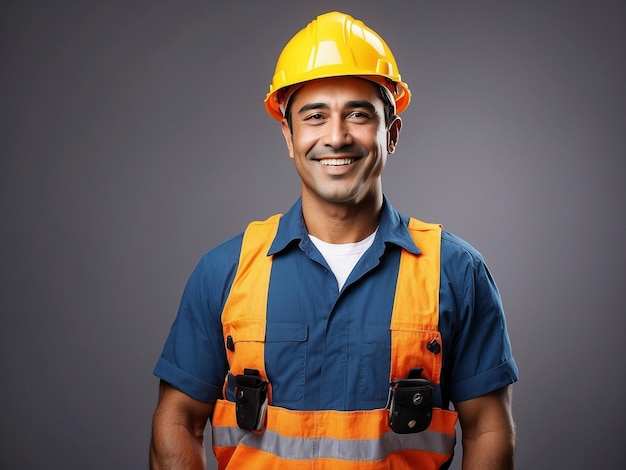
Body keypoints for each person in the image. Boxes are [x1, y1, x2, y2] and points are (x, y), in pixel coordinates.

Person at [150, 11, 518, 470]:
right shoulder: (226, 271)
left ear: (392, 134)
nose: (337, 136)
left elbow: (487, 427)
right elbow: (178, 421)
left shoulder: (457, 273)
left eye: (359, 115)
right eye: (315, 116)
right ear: (289, 135)